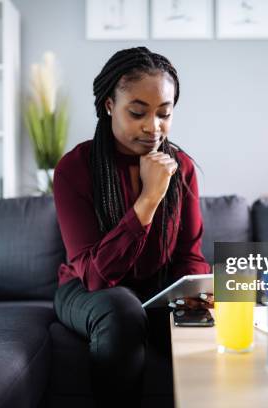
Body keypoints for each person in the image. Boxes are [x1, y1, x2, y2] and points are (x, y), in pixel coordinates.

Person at [52, 47, 211, 406]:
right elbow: (95, 274)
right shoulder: (74, 169)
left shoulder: (180, 166)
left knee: (213, 312)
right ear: (109, 104)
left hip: (156, 289)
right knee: (124, 309)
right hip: (86, 291)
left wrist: (197, 298)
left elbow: (190, 256)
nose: (152, 127)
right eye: (137, 112)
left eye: (164, 114)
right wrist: (149, 199)